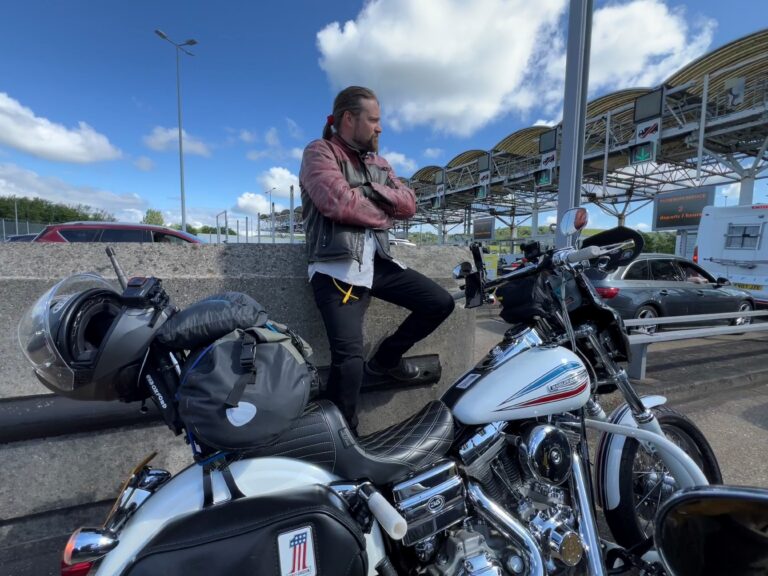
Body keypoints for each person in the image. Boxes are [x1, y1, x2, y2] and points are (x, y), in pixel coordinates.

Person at [299, 86, 455, 431]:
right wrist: (385, 213)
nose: (380, 128)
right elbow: (338, 203)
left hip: (377, 264)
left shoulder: (378, 163)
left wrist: (369, 190)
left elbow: (409, 204)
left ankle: (386, 359)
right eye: (373, 120)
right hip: (336, 269)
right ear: (348, 118)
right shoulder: (319, 152)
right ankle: (342, 435)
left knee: (440, 303)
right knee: (348, 361)